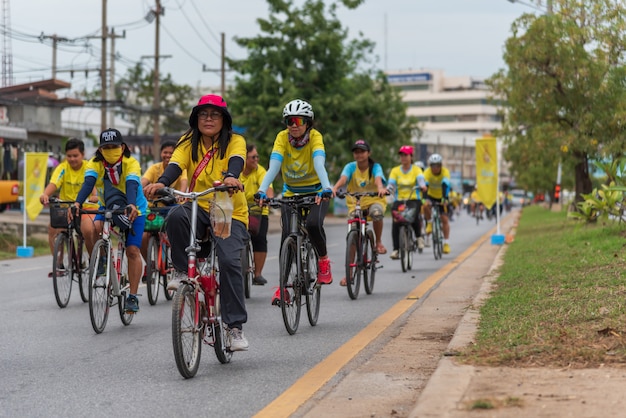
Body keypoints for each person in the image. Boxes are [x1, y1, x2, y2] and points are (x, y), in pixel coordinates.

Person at [143, 94, 249, 351]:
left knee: (228, 261)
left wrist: (232, 177)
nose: (209, 119)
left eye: (214, 115)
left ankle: (234, 328)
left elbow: (236, 161)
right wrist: (163, 183)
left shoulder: (235, 141)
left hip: (228, 211)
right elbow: (176, 165)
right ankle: (181, 271)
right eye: (203, 114)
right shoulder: (187, 141)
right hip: (199, 205)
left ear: (224, 119)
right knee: (176, 216)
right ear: (196, 118)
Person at [255, 99, 334, 305]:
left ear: (308, 122)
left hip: (317, 191)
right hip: (291, 193)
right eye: (290, 121)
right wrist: (262, 190)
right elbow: (274, 166)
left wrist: (326, 188)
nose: (294, 125)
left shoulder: (315, 137)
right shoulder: (282, 137)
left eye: (299, 120)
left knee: (313, 224)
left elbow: (319, 163)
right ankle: (283, 288)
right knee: (287, 238)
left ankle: (324, 261)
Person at [72, 128, 148, 313]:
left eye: (114, 146)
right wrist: (77, 203)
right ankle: (103, 259)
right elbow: (88, 184)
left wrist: (131, 205)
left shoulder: (131, 163)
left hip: (134, 209)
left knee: (132, 250)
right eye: (106, 147)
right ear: (100, 150)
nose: (111, 150)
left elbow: (131, 185)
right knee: (94, 226)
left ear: (123, 147)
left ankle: (132, 296)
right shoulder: (95, 164)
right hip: (108, 208)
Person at [332, 139, 388, 286]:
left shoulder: (375, 167)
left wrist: (381, 188)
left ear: (368, 153)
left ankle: (379, 242)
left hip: (373, 201)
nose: (359, 154)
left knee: (377, 213)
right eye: (356, 152)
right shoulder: (350, 167)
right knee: (352, 235)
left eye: (362, 151)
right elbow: (343, 179)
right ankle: (349, 274)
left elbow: (378, 180)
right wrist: (335, 188)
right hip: (355, 204)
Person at [40, 138, 98, 276]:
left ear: (82, 155)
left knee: (89, 230)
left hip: (85, 208)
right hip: (66, 208)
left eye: (75, 156)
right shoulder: (62, 167)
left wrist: (95, 196)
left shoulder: (89, 168)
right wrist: (45, 194)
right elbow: (54, 183)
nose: (72, 159)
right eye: (69, 156)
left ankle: (93, 258)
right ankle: (58, 264)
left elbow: (94, 186)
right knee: (53, 228)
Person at [140, 141, 188, 280]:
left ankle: (178, 265)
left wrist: (181, 195)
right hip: (154, 208)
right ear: (161, 153)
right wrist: (137, 191)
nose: (168, 155)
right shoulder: (154, 168)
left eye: (171, 153)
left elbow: (184, 183)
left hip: (173, 207)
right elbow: (143, 181)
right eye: (165, 152)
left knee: (176, 235)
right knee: (143, 237)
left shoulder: (181, 169)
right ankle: (150, 263)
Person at [240, 143, 274, 286]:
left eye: (257, 157)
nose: (256, 160)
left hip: (258, 210)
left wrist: (267, 199)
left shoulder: (260, 171)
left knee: (260, 239)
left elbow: (268, 188)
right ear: (244, 159)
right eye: (252, 157)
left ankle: (258, 273)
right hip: (239, 210)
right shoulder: (236, 171)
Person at [387, 145, 426, 260]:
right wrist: (387, 189)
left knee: (412, 216)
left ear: (411, 156)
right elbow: (391, 184)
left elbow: (420, 180)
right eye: (401, 155)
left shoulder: (416, 169)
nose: (403, 157)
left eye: (406, 155)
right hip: (399, 200)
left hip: (414, 198)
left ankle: (419, 238)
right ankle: (396, 250)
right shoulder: (395, 170)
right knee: (396, 220)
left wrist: (423, 186)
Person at [422, 153, 452, 254]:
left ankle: (446, 243)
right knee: (425, 205)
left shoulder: (445, 172)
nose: (435, 168)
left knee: (444, 219)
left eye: (437, 165)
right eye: (433, 166)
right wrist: (424, 199)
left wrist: (444, 199)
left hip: (442, 196)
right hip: (430, 195)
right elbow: (424, 186)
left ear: (441, 165)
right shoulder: (427, 172)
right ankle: (430, 222)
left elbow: (445, 185)